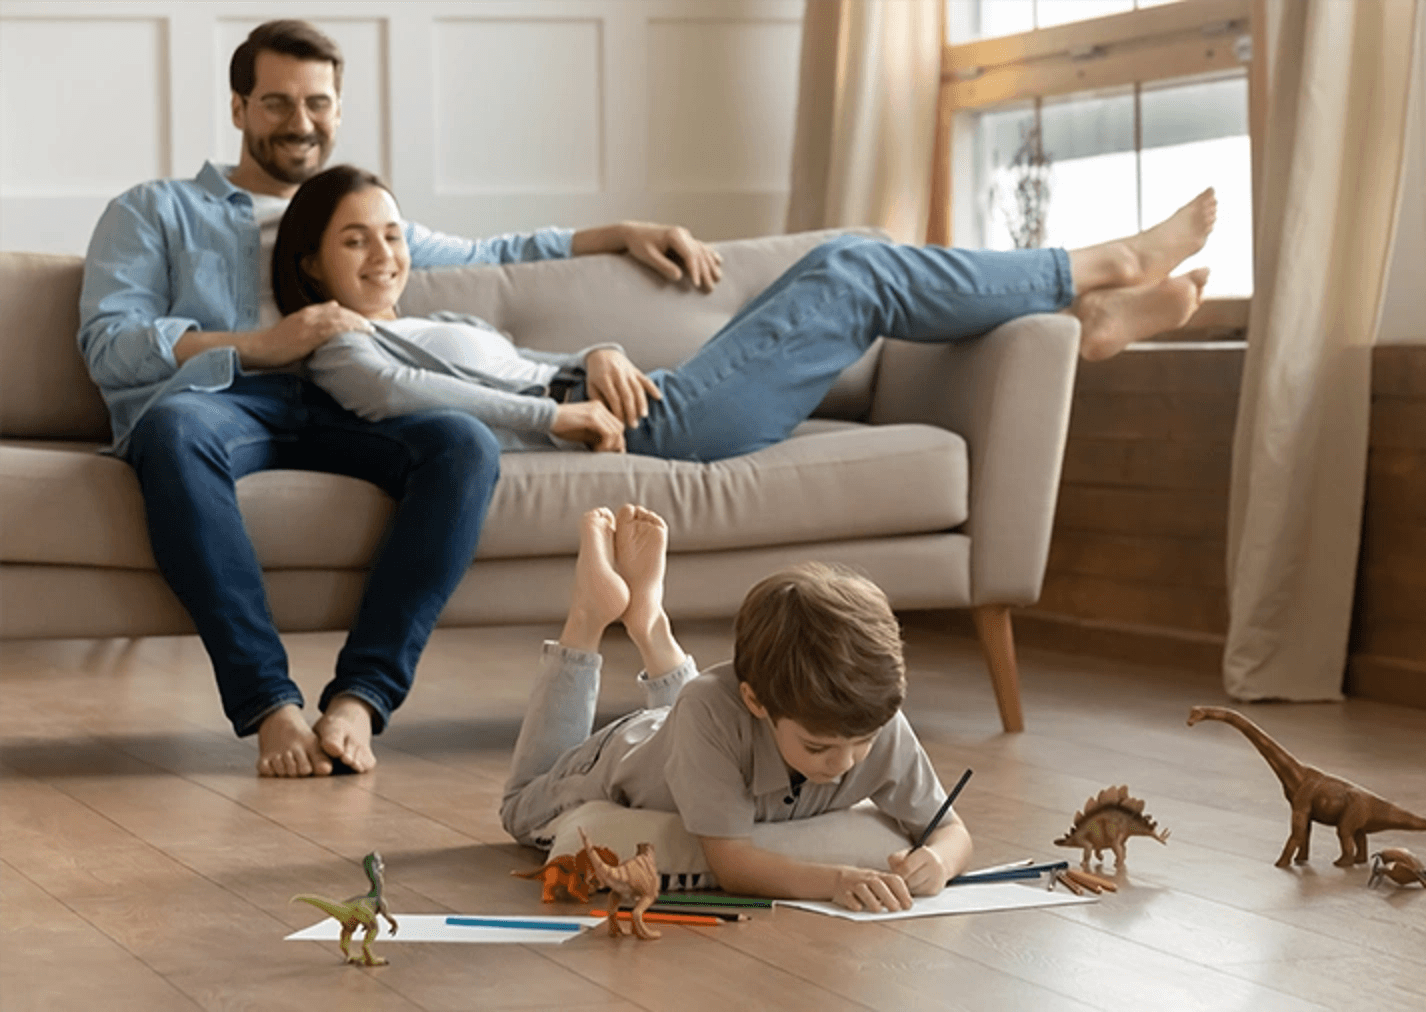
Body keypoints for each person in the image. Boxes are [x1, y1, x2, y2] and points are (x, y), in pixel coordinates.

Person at [76, 20, 724, 779]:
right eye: (277, 103)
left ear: (339, 109)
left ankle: (361, 697)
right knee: (175, 429)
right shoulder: (154, 210)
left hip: (356, 397)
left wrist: (618, 231)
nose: (300, 122)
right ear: (239, 108)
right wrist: (261, 343)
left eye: (317, 103)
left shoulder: (356, 213)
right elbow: (109, 343)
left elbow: (494, 254)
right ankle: (268, 706)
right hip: (228, 397)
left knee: (462, 442)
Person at [276, 164, 1216, 462]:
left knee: (848, 254)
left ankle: (1089, 315)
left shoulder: (431, 312)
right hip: (641, 431)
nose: (387, 255)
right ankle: (1101, 269)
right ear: (311, 261)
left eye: (393, 235)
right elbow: (411, 403)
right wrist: (559, 413)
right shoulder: (336, 346)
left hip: (641, 394)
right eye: (357, 241)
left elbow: (517, 357)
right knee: (855, 275)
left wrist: (597, 347)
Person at [501, 504, 973, 911]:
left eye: (862, 743)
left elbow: (952, 831)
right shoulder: (710, 710)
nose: (845, 763)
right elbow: (732, 865)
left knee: (702, 713)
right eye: (818, 746)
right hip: (627, 751)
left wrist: (938, 861)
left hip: (698, 732)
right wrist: (837, 880)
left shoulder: (873, 715)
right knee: (520, 809)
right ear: (757, 701)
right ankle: (588, 616)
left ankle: (649, 622)